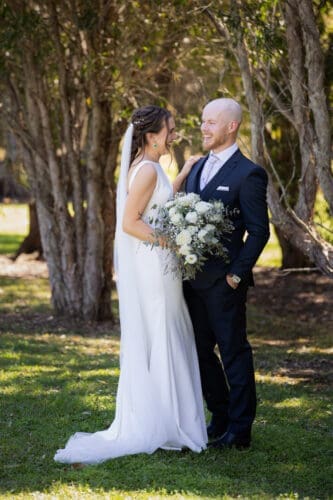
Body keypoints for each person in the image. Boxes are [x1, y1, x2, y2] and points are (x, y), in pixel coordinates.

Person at [54, 105, 207, 465]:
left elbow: (157, 202)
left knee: (165, 331)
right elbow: (130, 223)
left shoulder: (149, 168)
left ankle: (170, 418)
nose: (173, 135)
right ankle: (167, 423)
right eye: (169, 130)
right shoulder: (147, 170)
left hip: (157, 262)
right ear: (152, 135)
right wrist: (174, 242)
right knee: (163, 331)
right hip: (155, 263)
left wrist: (183, 172)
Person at [183, 98, 270, 450]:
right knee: (199, 352)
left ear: (231, 126)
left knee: (234, 353)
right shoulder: (196, 167)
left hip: (225, 285)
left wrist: (236, 274)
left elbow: (259, 231)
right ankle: (218, 417)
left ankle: (240, 429)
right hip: (191, 283)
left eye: (211, 122)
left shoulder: (249, 173)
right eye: (203, 121)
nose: (203, 127)